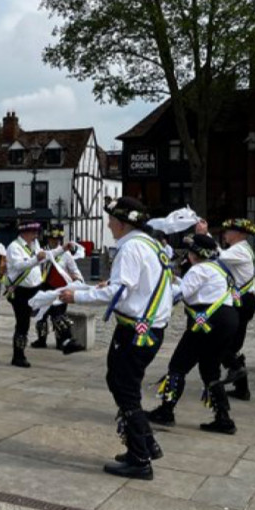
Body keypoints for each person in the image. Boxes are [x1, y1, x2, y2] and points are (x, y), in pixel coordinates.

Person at [61, 196, 172, 480]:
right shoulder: (149, 244)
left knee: (125, 389)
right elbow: (131, 285)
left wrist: (78, 295)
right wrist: (110, 283)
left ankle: (140, 459)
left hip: (136, 331)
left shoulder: (131, 248)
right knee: (119, 382)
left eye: (111, 219)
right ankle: (145, 443)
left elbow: (117, 293)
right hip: (145, 327)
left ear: (122, 223)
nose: (108, 224)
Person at [147, 234, 239, 434]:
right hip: (228, 320)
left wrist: (157, 288)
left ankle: (166, 410)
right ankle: (223, 418)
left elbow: (180, 293)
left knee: (178, 366)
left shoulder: (198, 269)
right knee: (210, 369)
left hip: (206, 322)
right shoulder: (219, 268)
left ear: (194, 254)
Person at [212, 218, 255, 402]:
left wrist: (204, 236)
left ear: (240, 234)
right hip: (243, 300)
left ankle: (235, 369)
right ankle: (242, 388)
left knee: (221, 341)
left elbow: (218, 256)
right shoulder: (242, 249)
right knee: (233, 344)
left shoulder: (240, 249)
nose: (225, 234)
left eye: (228, 231)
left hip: (241, 300)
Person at [4, 219, 54, 368]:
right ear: (25, 232)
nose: (36, 235)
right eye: (33, 232)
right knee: (23, 322)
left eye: (36, 232)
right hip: (20, 290)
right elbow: (19, 266)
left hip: (36, 287)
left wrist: (63, 249)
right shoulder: (14, 247)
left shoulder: (35, 244)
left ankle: (54, 339)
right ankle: (18, 355)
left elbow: (45, 256)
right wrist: (35, 259)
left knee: (53, 308)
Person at [33, 224, 84, 353]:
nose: (55, 241)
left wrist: (76, 278)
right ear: (48, 239)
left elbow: (74, 269)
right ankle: (41, 339)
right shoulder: (42, 252)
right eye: (52, 238)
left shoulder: (66, 254)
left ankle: (61, 341)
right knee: (42, 315)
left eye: (58, 239)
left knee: (59, 315)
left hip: (59, 288)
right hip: (43, 286)